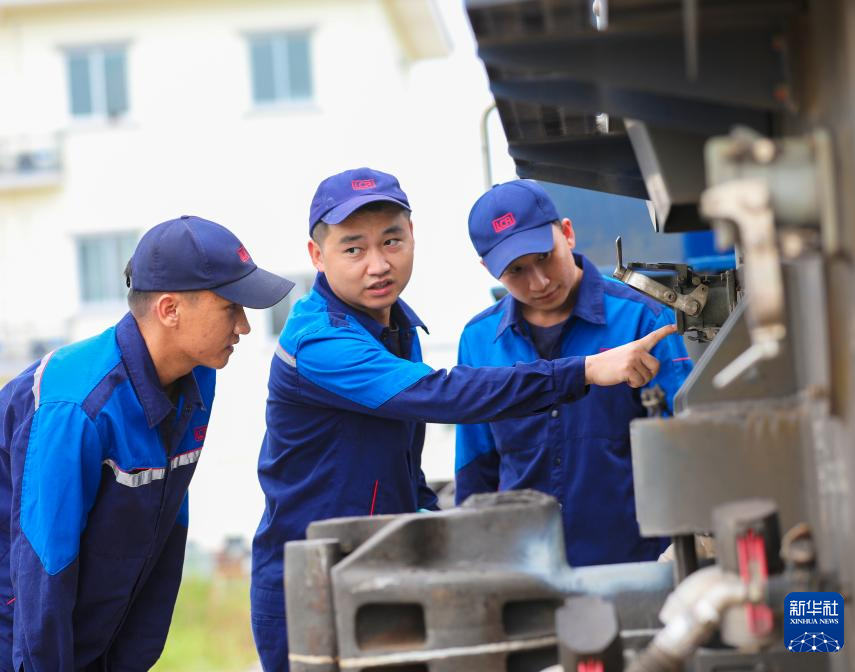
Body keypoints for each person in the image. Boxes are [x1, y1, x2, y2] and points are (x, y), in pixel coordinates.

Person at [249, 168, 678, 672]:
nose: (378, 265)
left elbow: (401, 468)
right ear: (316, 256)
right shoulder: (323, 341)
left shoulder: (396, 328)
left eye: (392, 241)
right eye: (353, 249)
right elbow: (443, 399)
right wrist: (585, 370)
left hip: (385, 572)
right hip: (314, 583)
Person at [0, 216, 294, 671]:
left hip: (56, 586)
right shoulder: (79, 408)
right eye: (231, 308)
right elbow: (45, 560)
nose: (244, 327)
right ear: (170, 310)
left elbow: (164, 523)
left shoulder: (197, 377)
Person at [455, 179, 694, 567]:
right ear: (488, 269)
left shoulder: (642, 320)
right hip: (524, 571)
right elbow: (475, 466)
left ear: (567, 232)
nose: (539, 282)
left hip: (636, 565)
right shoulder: (478, 340)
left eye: (544, 257)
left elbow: (686, 444)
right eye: (516, 270)